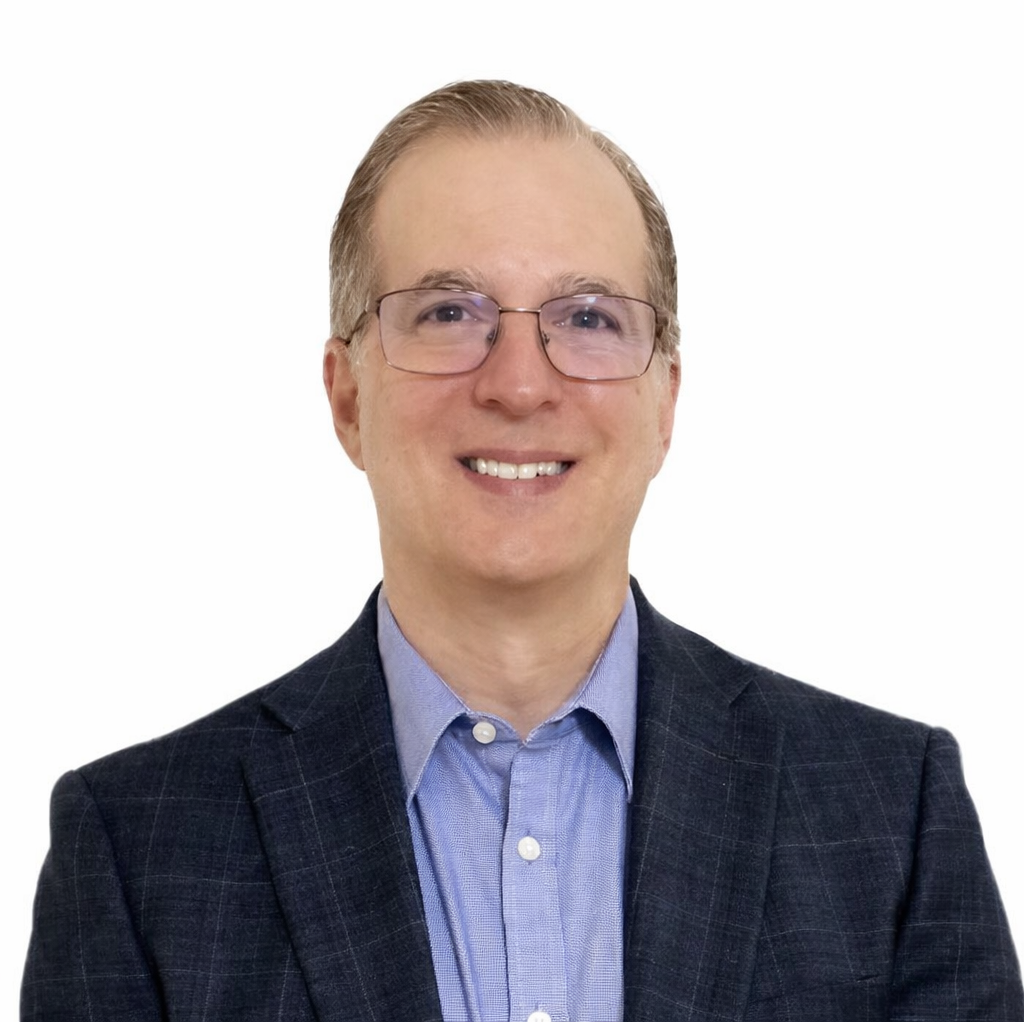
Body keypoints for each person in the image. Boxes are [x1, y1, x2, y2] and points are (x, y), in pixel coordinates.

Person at [22, 80, 1022, 1022]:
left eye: (586, 318)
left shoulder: (891, 816)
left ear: (664, 399)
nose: (518, 384)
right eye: (448, 312)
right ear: (345, 395)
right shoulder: (138, 847)